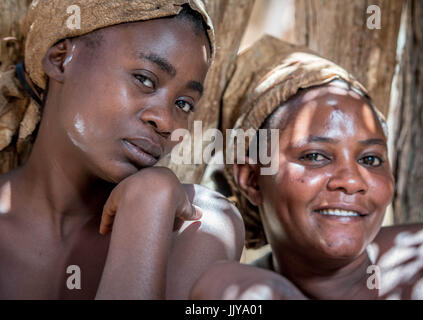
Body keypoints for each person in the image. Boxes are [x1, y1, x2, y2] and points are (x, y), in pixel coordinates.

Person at [0, 0, 244, 299]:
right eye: (144, 79)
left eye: (183, 104)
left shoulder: (196, 226)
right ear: (61, 59)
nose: (166, 122)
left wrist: (148, 205)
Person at [191, 36, 423, 300]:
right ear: (252, 180)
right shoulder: (231, 294)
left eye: (370, 160)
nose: (351, 181)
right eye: (315, 156)